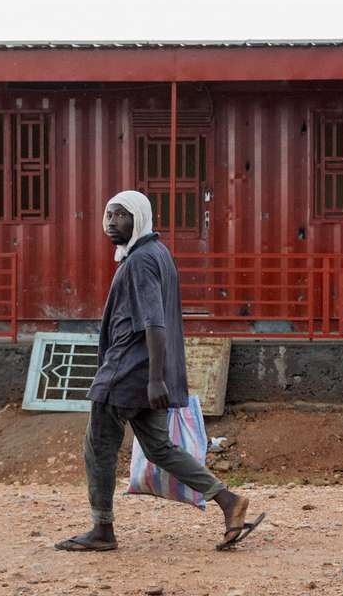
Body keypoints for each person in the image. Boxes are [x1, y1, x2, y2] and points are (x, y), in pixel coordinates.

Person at [55, 191, 263, 553]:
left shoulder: (141, 261)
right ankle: (228, 502)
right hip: (146, 372)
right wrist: (158, 375)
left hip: (128, 370)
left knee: (98, 448)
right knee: (160, 449)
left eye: (121, 215)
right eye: (108, 214)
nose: (111, 222)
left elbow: (153, 321)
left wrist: (154, 378)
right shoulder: (157, 254)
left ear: (140, 219)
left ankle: (102, 530)